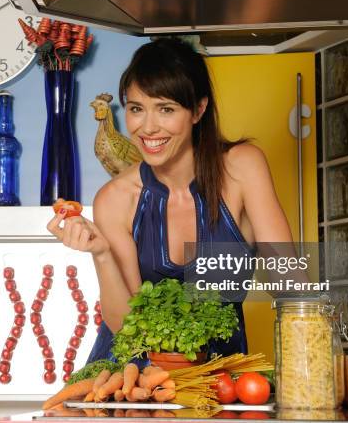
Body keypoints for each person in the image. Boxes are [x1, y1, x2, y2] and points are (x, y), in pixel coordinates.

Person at [47, 38, 298, 363]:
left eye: (165, 109)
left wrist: (310, 355)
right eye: (136, 109)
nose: (147, 128)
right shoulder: (115, 199)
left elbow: (290, 280)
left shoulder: (242, 168)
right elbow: (127, 329)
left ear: (198, 109)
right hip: (132, 379)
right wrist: (102, 254)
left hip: (217, 378)